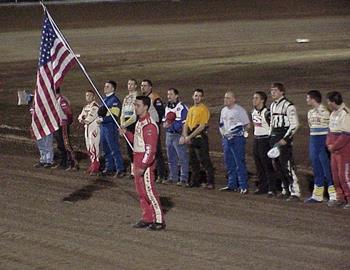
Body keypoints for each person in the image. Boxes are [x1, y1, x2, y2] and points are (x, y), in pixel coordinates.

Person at [120, 96, 166, 230]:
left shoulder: (149, 125)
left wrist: (144, 166)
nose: (135, 107)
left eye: (138, 105)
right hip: (137, 157)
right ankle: (147, 217)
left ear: (145, 107)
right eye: (135, 105)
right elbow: (137, 140)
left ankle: (158, 220)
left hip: (144, 161)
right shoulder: (140, 122)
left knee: (149, 191)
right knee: (140, 191)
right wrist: (126, 133)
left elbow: (150, 149)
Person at [269, 82, 301, 201]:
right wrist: (271, 137)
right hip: (275, 137)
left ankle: (295, 192)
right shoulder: (272, 106)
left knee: (287, 165)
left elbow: (295, 125)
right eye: (272, 90)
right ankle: (285, 189)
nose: (273, 92)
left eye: (275, 90)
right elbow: (272, 123)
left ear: (282, 92)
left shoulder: (289, 106)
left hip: (283, 137)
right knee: (277, 165)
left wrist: (286, 139)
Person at [305, 90, 336, 203]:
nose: (307, 100)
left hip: (323, 141)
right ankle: (317, 195)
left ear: (313, 99)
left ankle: (333, 195)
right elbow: (311, 127)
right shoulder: (310, 113)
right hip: (313, 141)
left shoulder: (327, 112)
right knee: (316, 167)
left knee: (327, 168)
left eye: (308, 98)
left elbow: (331, 128)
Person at [180, 89, 215, 189]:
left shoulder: (204, 109)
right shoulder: (191, 109)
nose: (197, 97)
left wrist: (188, 137)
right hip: (192, 137)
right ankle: (195, 181)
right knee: (193, 161)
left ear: (202, 98)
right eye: (196, 95)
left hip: (200, 138)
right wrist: (185, 135)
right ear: (193, 96)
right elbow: (186, 123)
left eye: (199, 96)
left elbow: (201, 127)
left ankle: (210, 182)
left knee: (205, 160)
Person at [219, 91, 250, 194]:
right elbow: (221, 124)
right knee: (229, 162)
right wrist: (224, 134)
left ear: (233, 99)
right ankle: (232, 184)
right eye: (225, 98)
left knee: (239, 162)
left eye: (228, 98)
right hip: (226, 139)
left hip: (237, 140)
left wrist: (239, 132)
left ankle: (243, 186)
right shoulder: (223, 111)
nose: (225, 100)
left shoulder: (239, 110)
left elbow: (247, 125)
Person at [326, 91, 350, 209]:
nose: (328, 104)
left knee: (344, 176)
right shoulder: (333, 114)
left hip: (344, 150)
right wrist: (328, 144)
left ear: (334, 102)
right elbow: (330, 131)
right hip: (334, 150)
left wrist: (333, 146)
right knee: (335, 176)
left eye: (329, 102)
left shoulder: (346, 114)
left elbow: (346, 135)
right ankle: (340, 198)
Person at [97, 80, 125, 177]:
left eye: (107, 86)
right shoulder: (104, 99)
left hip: (110, 127)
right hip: (104, 127)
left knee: (114, 148)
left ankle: (120, 169)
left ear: (113, 88)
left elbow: (115, 115)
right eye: (105, 86)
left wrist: (102, 119)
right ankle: (109, 167)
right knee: (105, 148)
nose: (105, 88)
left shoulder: (115, 101)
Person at [140, 79, 166, 182]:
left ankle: (161, 175)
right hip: (145, 127)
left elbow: (161, 112)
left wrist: (155, 124)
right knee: (146, 150)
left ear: (150, 87)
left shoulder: (155, 97)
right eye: (142, 85)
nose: (143, 87)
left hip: (153, 127)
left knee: (156, 151)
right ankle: (150, 173)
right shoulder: (143, 98)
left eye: (145, 86)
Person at [162, 88, 189, 186]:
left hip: (178, 135)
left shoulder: (182, 107)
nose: (168, 96)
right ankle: (173, 177)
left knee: (182, 157)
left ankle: (183, 179)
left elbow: (185, 122)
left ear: (176, 95)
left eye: (171, 94)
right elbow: (165, 119)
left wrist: (183, 135)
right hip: (169, 135)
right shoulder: (167, 107)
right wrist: (165, 124)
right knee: (171, 157)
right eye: (168, 94)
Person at [251, 91, 276, 196]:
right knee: (259, 165)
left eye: (256, 98)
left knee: (267, 165)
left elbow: (272, 126)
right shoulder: (253, 112)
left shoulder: (267, 112)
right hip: (256, 139)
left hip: (265, 140)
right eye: (253, 98)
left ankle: (272, 188)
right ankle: (263, 187)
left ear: (262, 100)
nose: (253, 100)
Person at [53, 87, 78, 170]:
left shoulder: (62, 100)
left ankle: (73, 163)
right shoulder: (54, 100)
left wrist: (67, 122)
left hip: (63, 125)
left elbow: (69, 113)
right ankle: (63, 162)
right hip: (56, 125)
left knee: (66, 144)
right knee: (60, 145)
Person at [78, 90, 100, 175]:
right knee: (89, 148)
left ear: (94, 97)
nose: (88, 97)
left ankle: (95, 167)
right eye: (87, 95)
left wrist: (83, 119)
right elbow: (80, 117)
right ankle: (92, 165)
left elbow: (89, 119)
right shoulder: (86, 107)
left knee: (94, 147)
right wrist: (83, 119)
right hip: (87, 129)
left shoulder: (95, 106)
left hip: (93, 129)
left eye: (90, 95)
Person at [29, 93, 54, 168]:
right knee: (41, 143)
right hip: (38, 126)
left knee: (47, 143)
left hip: (47, 125)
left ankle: (49, 160)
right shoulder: (35, 105)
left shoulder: (48, 104)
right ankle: (43, 159)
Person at [121, 79, 139, 178]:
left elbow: (135, 115)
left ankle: (137, 170)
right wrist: (122, 123)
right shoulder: (126, 98)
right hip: (126, 124)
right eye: (128, 84)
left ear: (136, 86)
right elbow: (123, 112)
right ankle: (133, 171)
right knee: (129, 148)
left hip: (133, 124)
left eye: (132, 84)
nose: (130, 86)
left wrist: (125, 124)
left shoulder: (137, 98)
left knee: (135, 147)